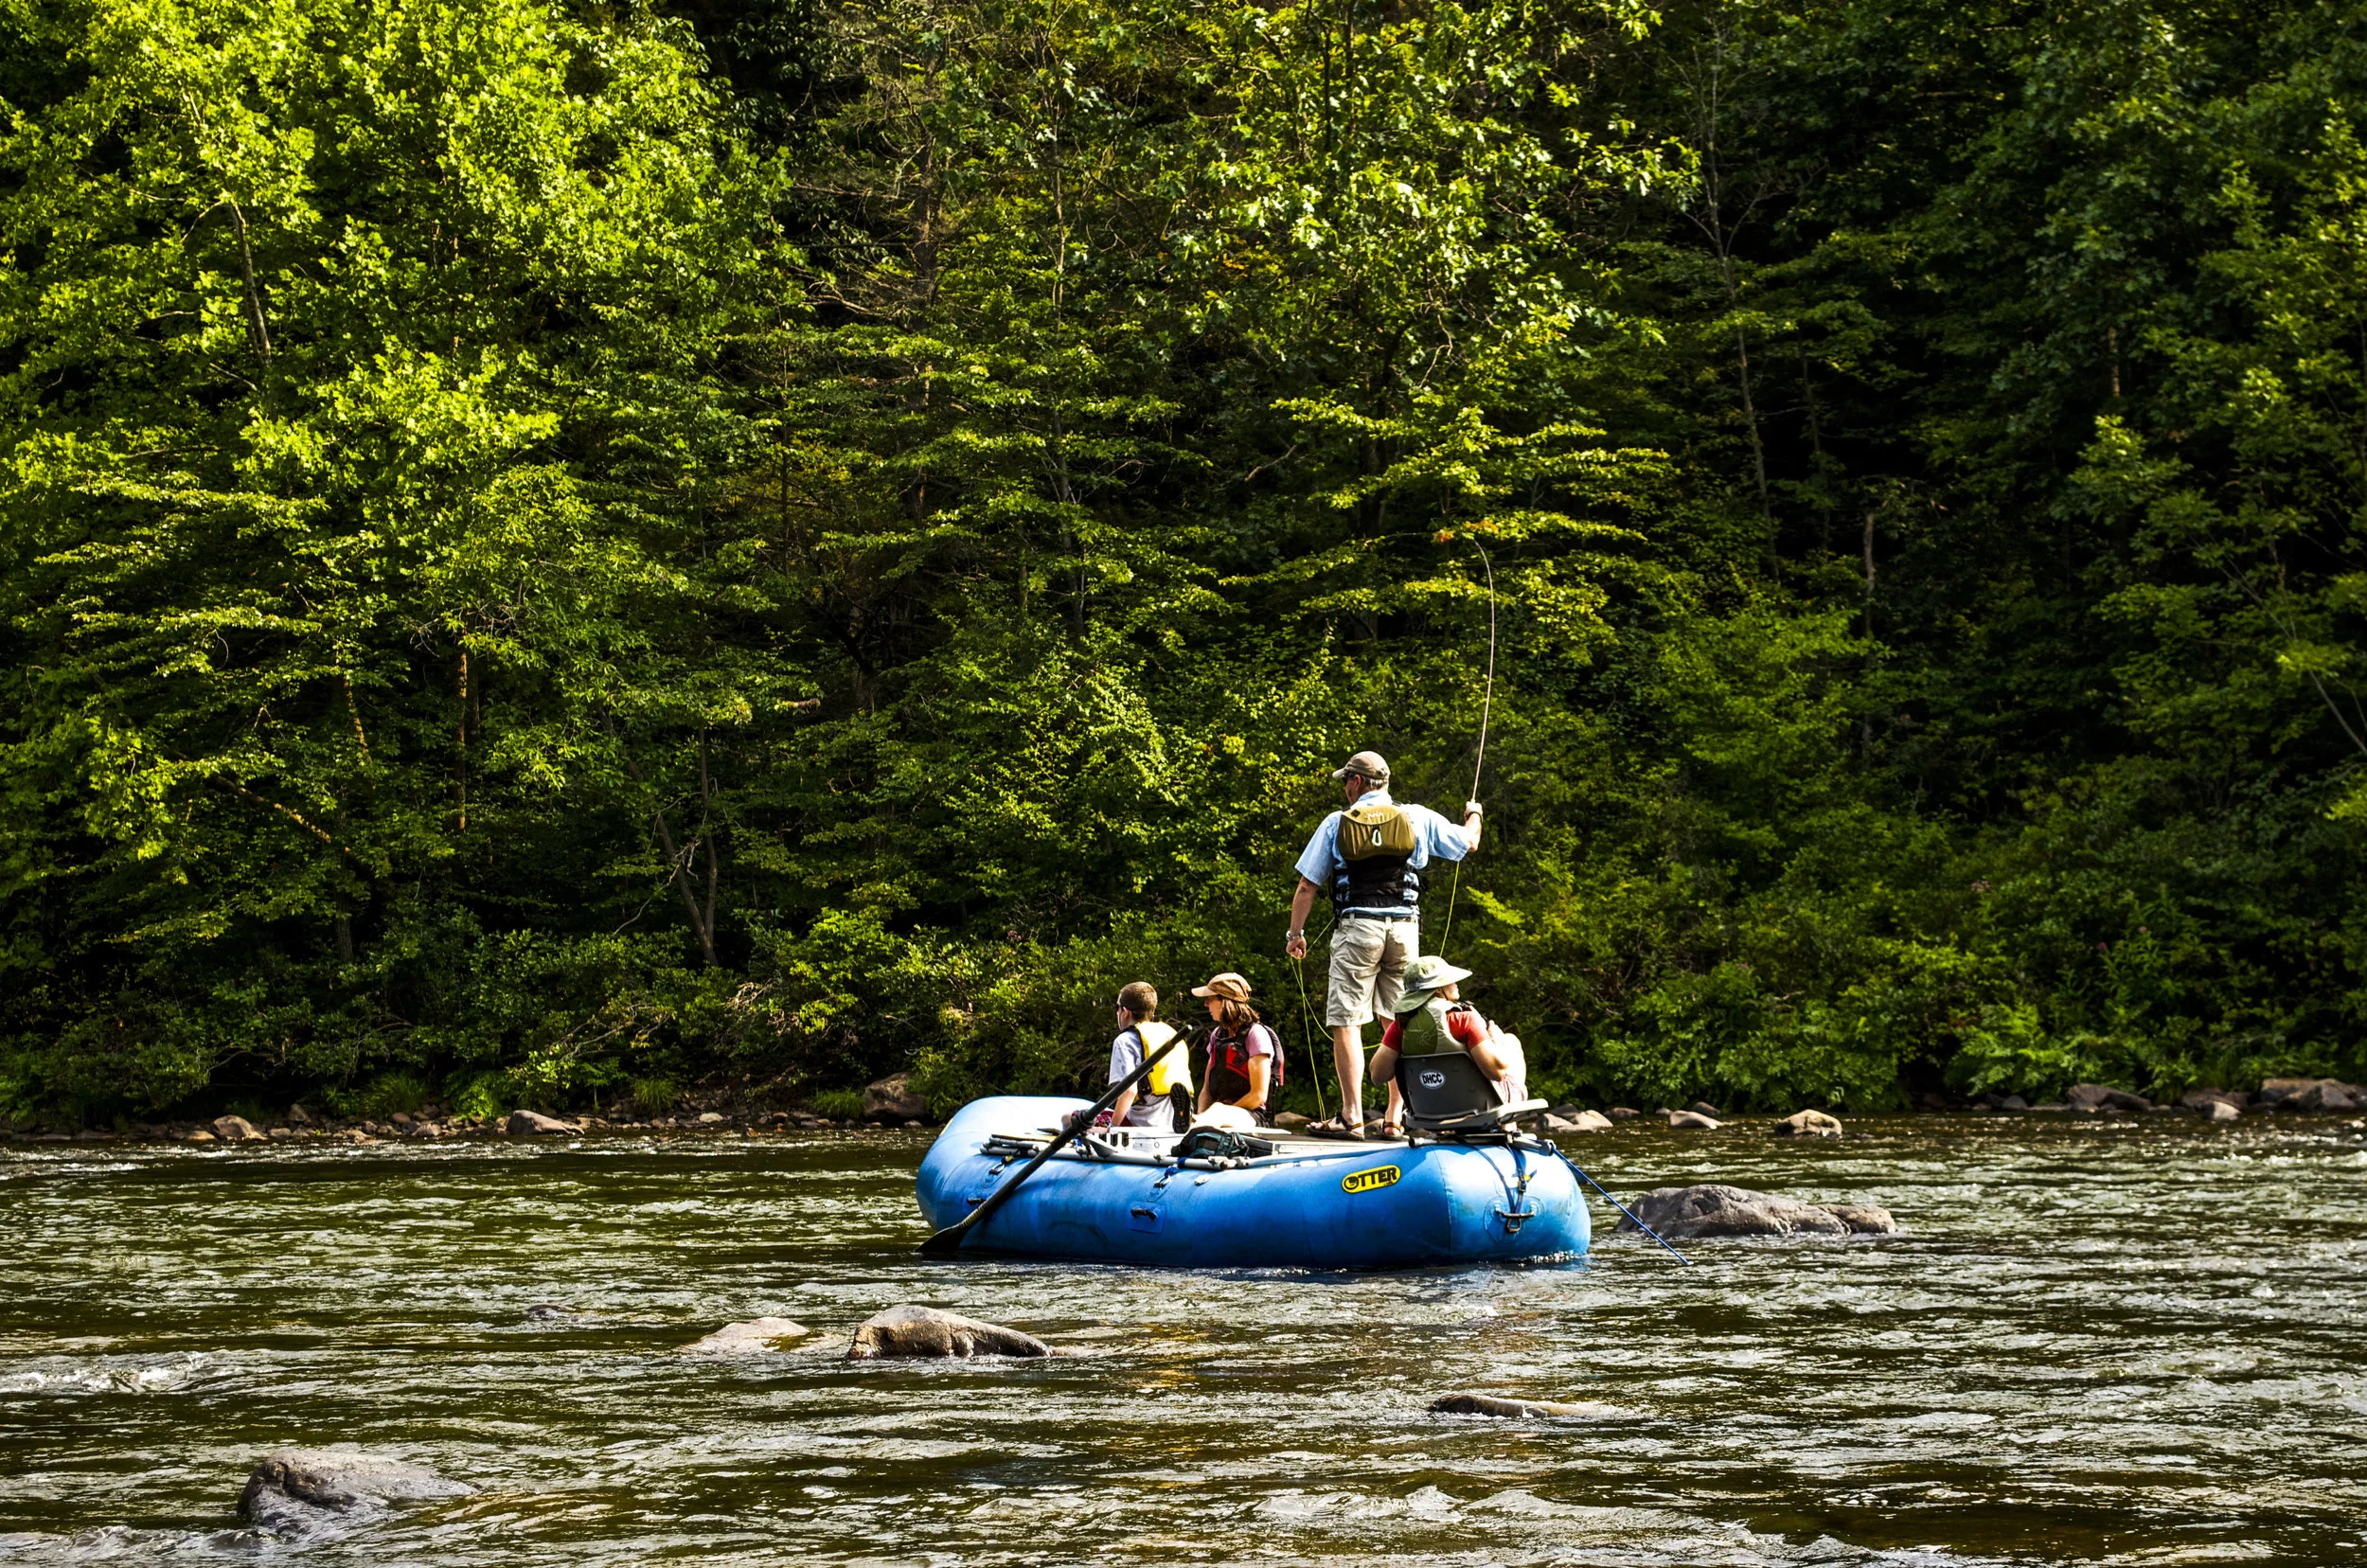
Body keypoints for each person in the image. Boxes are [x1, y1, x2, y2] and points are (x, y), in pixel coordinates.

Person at [1283, 750, 1481, 1137]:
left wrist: (1296, 935)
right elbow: (1468, 844)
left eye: (1346, 780)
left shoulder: (1336, 823)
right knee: (1399, 1018)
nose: (1344, 787)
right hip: (1405, 930)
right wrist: (1474, 813)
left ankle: (1352, 1115)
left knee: (1348, 1021)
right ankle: (1395, 1117)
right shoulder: (1416, 817)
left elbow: (1307, 885)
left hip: (1358, 930)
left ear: (1357, 782)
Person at [1366, 954, 1527, 1125]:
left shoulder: (1400, 1027)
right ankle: (1509, 1126)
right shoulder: (1465, 1020)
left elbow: (1377, 1075)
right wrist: (1495, 1041)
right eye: (1449, 980)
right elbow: (1496, 1072)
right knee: (1511, 1041)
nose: (1456, 983)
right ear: (1437, 989)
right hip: (1480, 1108)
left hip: (1426, 1110)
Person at [1095, 981, 1192, 1133]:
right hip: (1169, 1124)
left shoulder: (1124, 1040)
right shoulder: (1170, 1035)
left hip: (1141, 1124)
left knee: (1071, 1118)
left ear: (1125, 1012)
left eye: (1117, 1008)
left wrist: (1111, 1129)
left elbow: (1129, 1091)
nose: (1116, 1013)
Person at [1190, 971, 1281, 1127]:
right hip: (1217, 1115)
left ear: (1225, 1001)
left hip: (1253, 1116)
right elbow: (1206, 1089)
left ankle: (1193, 1122)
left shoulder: (1256, 1035)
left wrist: (1224, 1113)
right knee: (1213, 1112)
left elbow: (1259, 1095)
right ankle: (1193, 1122)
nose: (1206, 1004)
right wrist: (1202, 1114)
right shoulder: (1217, 1036)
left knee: (1218, 1110)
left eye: (1210, 999)